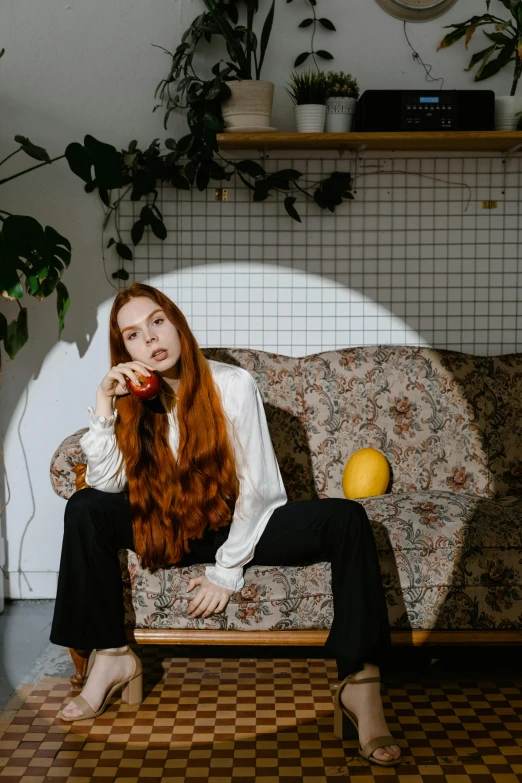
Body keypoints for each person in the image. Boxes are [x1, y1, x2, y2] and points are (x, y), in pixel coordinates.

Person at [50, 282, 401, 766]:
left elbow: (260, 489)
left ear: (176, 321)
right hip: (168, 528)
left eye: (156, 321)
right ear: (123, 349)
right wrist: (105, 402)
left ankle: (360, 684)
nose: (150, 339)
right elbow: (108, 485)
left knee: (347, 518)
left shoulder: (231, 384)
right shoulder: (131, 398)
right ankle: (110, 655)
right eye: (132, 335)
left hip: (236, 527)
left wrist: (226, 570)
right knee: (84, 507)